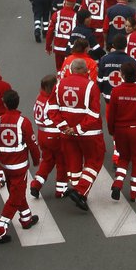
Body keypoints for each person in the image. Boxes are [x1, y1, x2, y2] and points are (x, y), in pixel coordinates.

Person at [48, 58, 104, 211]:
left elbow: (51, 109)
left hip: (67, 134)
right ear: (86, 71)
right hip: (89, 134)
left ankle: (78, 190)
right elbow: (94, 113)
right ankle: (80, 191)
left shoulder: (59, 85)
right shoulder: (91, 86)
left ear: (71, 70)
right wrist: (78, 129)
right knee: (94, 161)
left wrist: (64, 127)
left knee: (74, 163)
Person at [0, 91, 40, 243]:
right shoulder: (23, 122)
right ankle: (0, 228)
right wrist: (36, 160)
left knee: (16, 192)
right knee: (15, 197)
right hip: (19, 166)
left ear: (4, 104)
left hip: (5, 165)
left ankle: (26, 218)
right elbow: (32, 144)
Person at [106, 65, 136, 202]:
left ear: (123, 75)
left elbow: (111, 115)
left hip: (120, 131)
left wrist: (111, 130)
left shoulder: (116, 91)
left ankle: (118, 183)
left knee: (123, 158)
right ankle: (135, 193)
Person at [30, 75, 68, 200]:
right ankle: (61, 190)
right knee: (62, 162)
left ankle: (36, 184)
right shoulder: (52, 100)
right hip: (54, 135)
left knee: (47, 160)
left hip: (42, 134)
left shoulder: (39, 97)